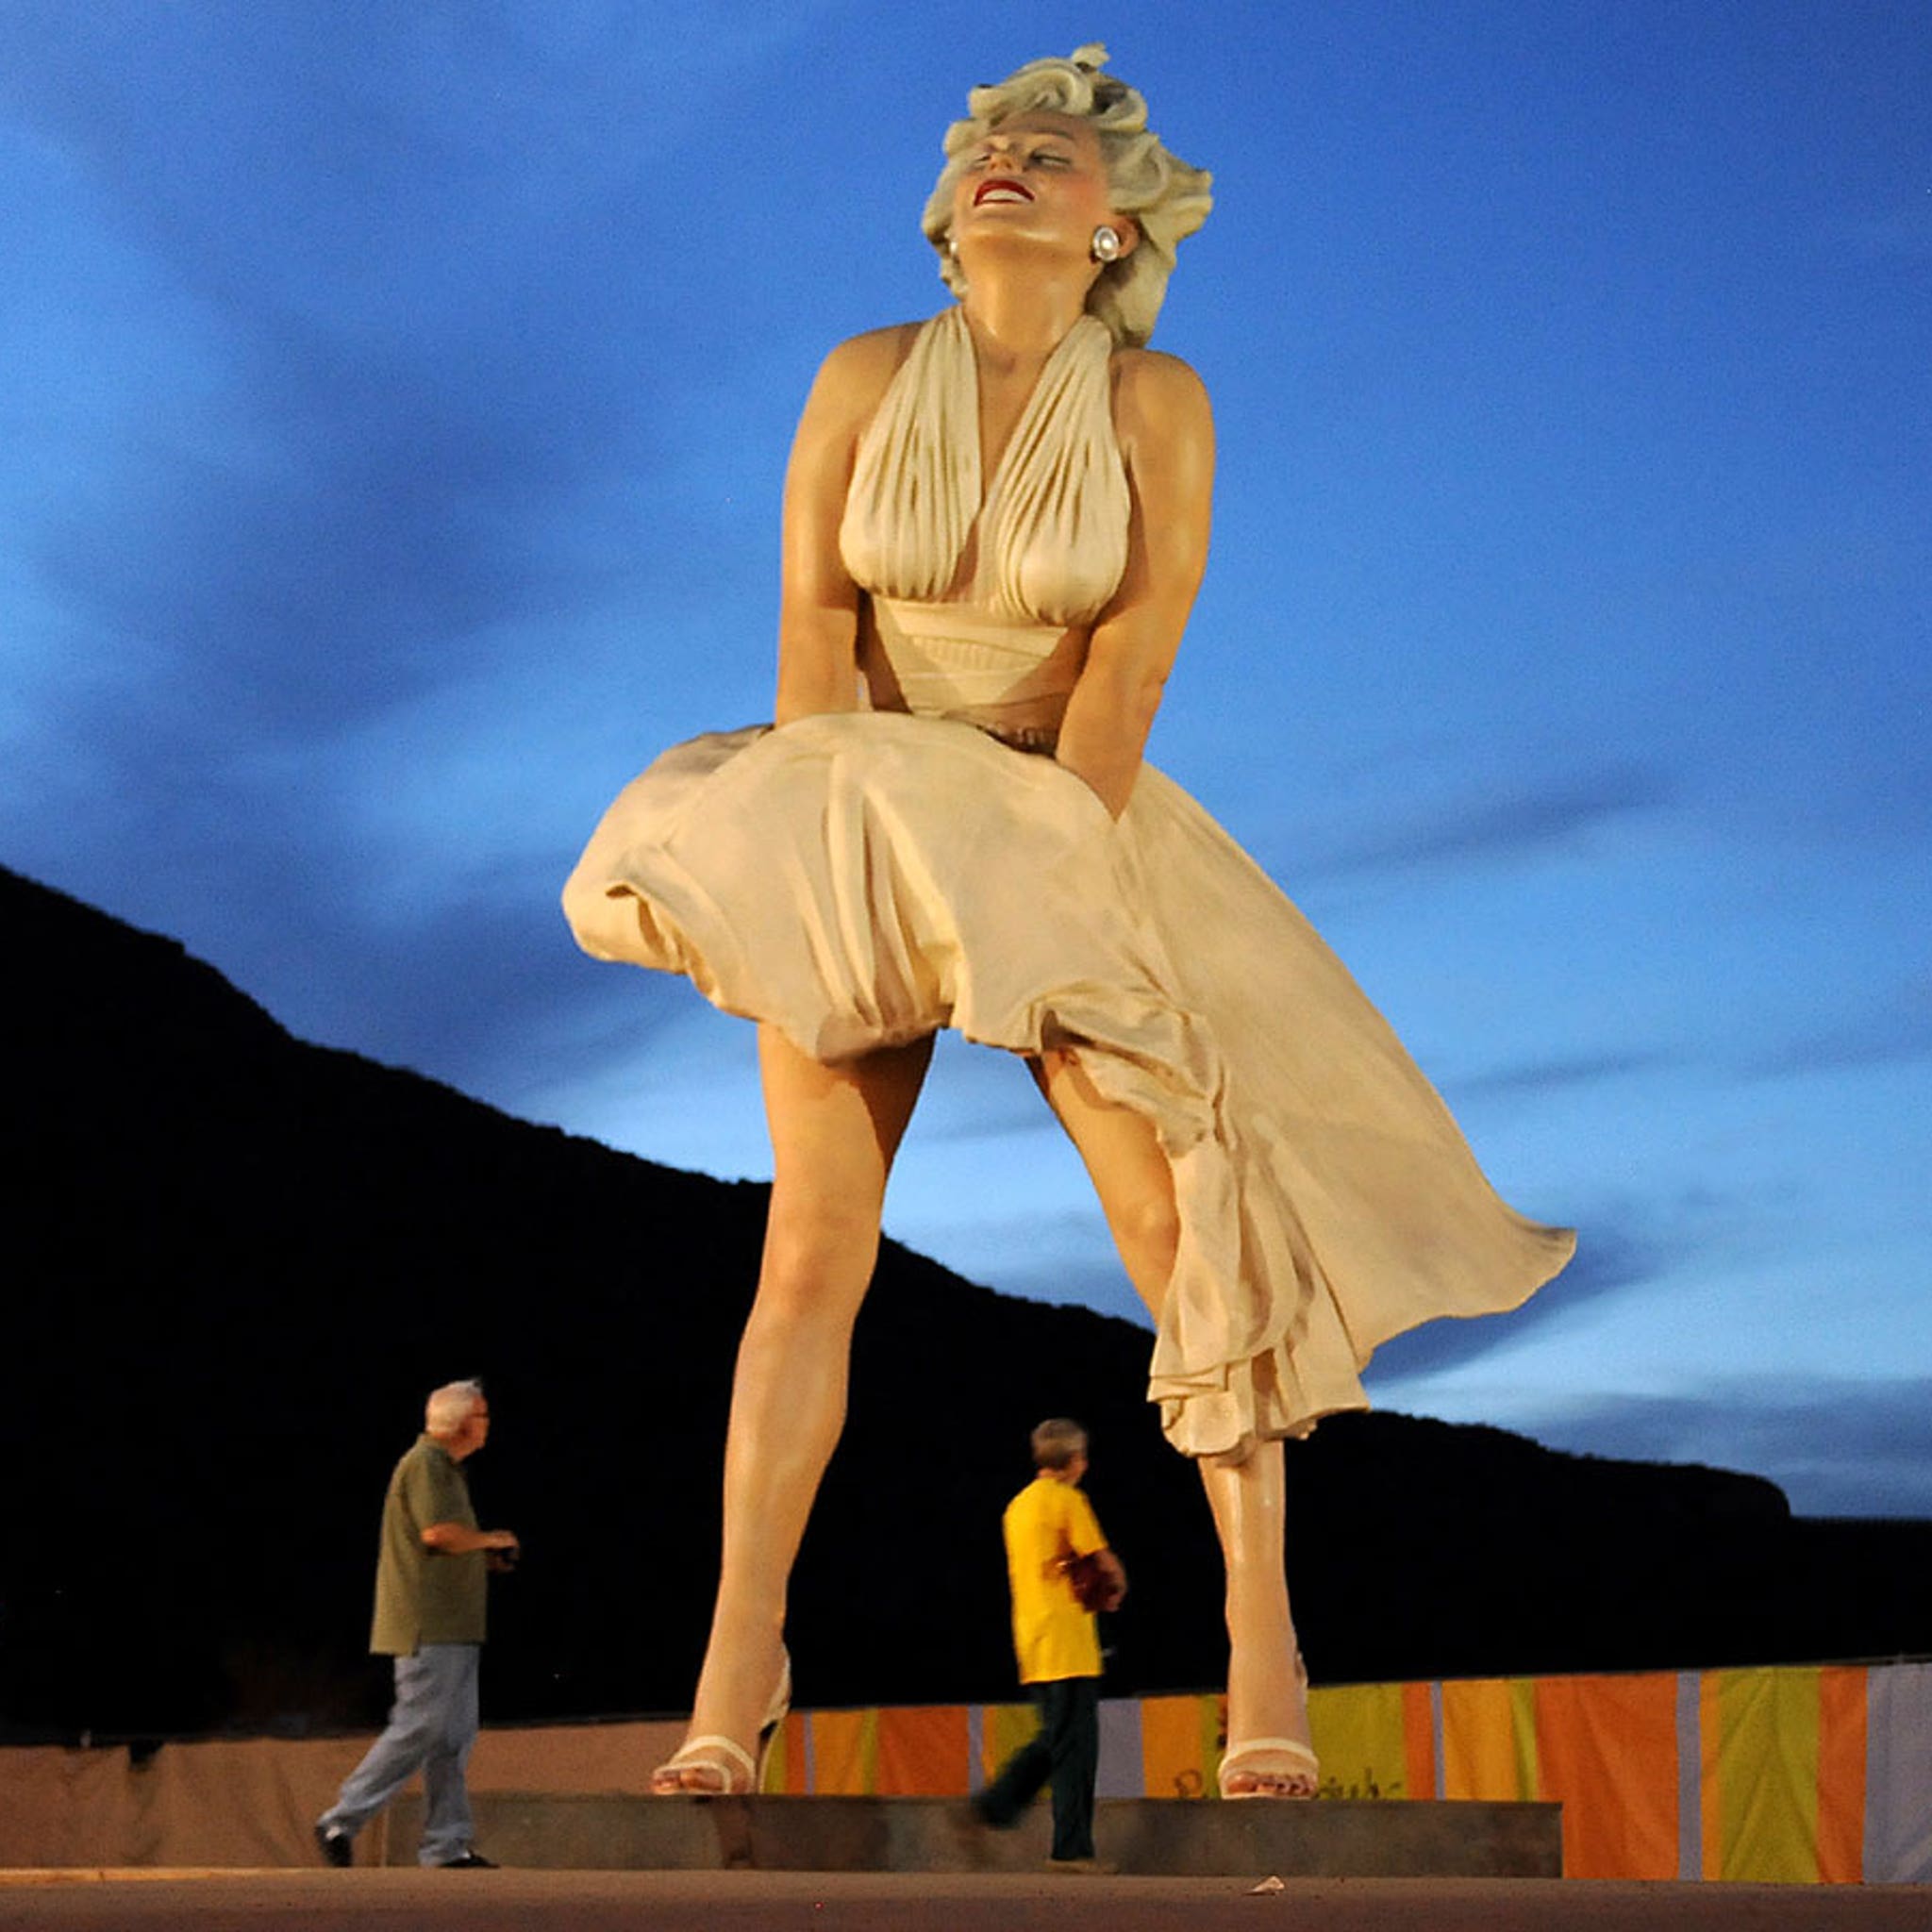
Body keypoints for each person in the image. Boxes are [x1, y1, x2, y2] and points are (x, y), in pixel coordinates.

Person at [563, 44, 1573, 1800]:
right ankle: (741, 1656)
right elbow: (812, 620)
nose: (1010, 163)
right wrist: (825, 834)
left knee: (1181, 1229)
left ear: (1113, 228)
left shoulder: (1154, 398)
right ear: (950, 213)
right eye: (988, 151)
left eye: (1052, 152)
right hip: (859, 796)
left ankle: (1264, 1640)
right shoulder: (867, 369)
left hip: (1060, 806)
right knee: (809, 1240)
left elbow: (1132, 654)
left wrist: (1046, 863)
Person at [315, 1379, 518, 1868]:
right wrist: (489, 1540)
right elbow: (438, 1533)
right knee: (420, 1726)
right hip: (429, 1626)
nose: (488, 1424)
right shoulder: (426, 1464)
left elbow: (444, 1542)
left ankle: (446, 1844)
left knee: (450, 1739)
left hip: (457, 1627)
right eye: (483, 1415)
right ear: (461, 1421)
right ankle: (341, 1818)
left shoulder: (447, 1469)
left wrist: (483, 1558)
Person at [975, 1419, 1125, 1865]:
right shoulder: (1067, 1501)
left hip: (1033, 1639)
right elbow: (1105, 1564)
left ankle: (1003, 1804)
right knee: (1074, 1754)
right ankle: (1063, 1845)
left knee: (1056, 1740)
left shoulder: (1017, 1507)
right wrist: (1117, 1584)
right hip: (1070, 1643)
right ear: (1075, 1461)